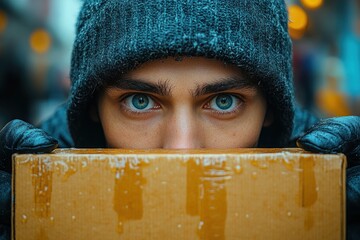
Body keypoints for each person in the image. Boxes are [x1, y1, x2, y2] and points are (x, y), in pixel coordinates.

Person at [0, 0, 359, 239]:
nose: (181, 149)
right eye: (140, 102)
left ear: (270, 111)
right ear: (93, 107)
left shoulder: (328, 197)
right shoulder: (28, 196)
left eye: (223, 101)